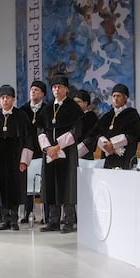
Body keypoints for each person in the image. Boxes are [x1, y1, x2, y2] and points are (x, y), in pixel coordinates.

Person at [37, 73, 84, 234]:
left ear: (66, 89)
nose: (56, 90)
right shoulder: (47, 108)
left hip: (67, 152)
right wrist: (48, 148)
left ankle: (69, 221)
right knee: (51, 185)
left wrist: (58, 146)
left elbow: (76, 130)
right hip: (49, 153)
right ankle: (53, 221)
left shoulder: (73, 108)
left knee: (67, 186)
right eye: (54, 87)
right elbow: (41, 130)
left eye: (60, 87)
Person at [0, 85, 33, 231]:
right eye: (2, 97)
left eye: (8, 97)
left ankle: (14, 219)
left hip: (16, 158)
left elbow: (28, 139)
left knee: (15, 187)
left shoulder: (21, 116)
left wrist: (24, 160)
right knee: (1, 188)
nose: (5, 100)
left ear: (13, 99)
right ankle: (4, 218)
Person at [79, 84, 140, 169]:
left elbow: (135, 135)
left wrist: (113, 144)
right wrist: (104, 143)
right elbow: (95, 134)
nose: (115, 99)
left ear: (125, 98)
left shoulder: (132, 114)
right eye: (113, 96)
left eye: (118, 96)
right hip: (107, 158)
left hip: (124, 157)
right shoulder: (107, 116)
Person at [19, 80, 47, 224]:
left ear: (42, 94)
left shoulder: (48, 109)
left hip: (43, 151)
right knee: (27, 183)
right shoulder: (22, 110)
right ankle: (27, 212)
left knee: (44, 184)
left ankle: (46, 214)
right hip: (27, 150)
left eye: (37, 90)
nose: (33, 92)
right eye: (32, 89)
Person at [74, 89, 98, 160]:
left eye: (79, 102)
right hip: (71, 154)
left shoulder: (91, 117)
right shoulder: (72, 117)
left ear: (86, 103)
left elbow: (91, 137)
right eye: (74, 102)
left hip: (85, 155)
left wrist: (78, 151)